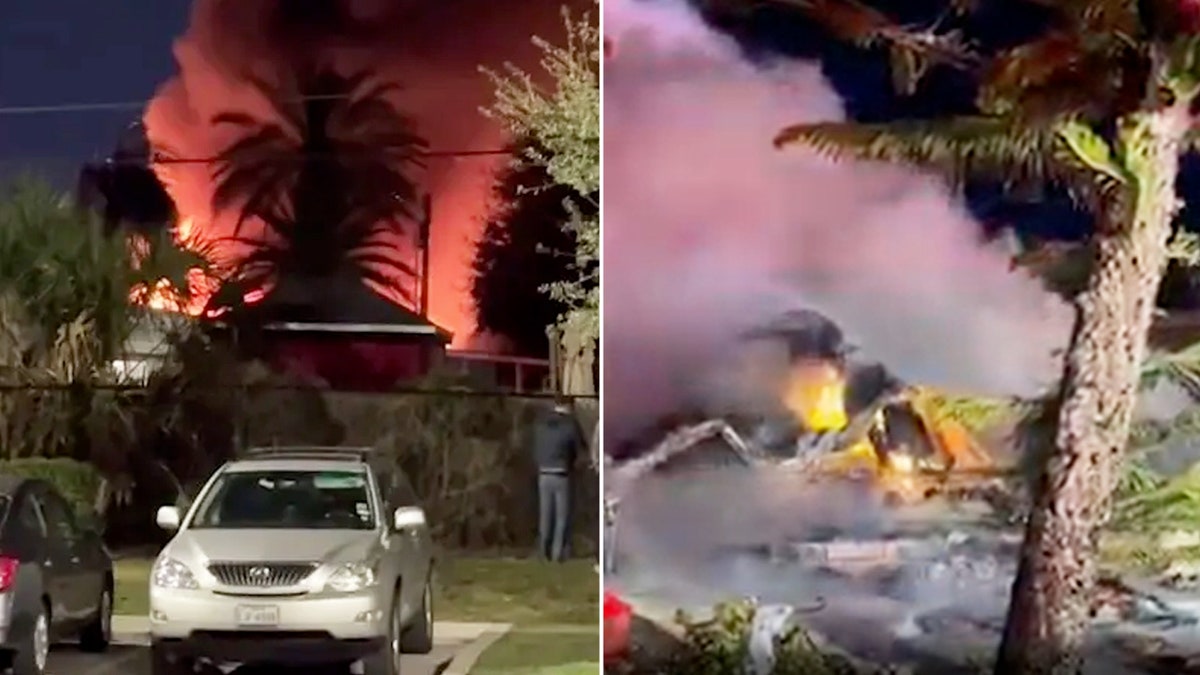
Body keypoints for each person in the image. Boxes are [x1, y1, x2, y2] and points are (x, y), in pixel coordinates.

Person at [531, 394, 587, 562]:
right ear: (570, 406)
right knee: (562, 517)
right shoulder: (570, 424)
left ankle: (543, 551)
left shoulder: (541, 423)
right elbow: (580, 449)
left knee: (545, 516)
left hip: (543, 472)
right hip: (562, 473)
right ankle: (558, 554)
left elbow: (536, 446)